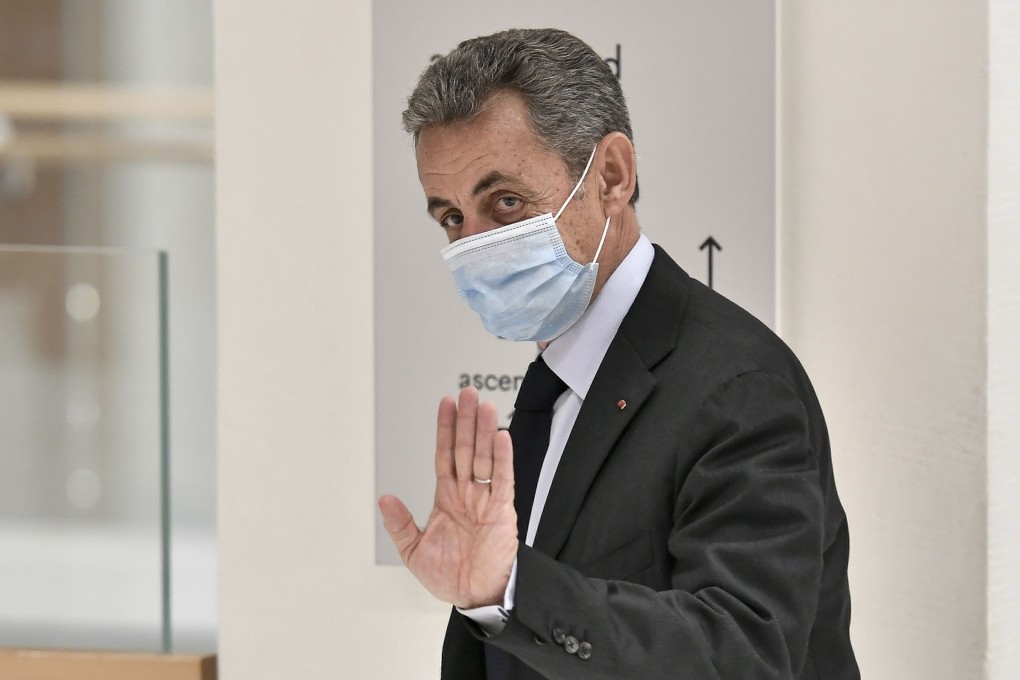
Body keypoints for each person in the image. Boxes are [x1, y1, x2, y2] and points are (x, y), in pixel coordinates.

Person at [378, 28, 860, 680]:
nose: (475, 245)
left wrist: (511, 591)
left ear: (611, 175)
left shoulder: (739, 387)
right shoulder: (556, 381)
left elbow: (741, 653)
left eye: (506, 202)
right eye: (452, 218)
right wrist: (490, 597)